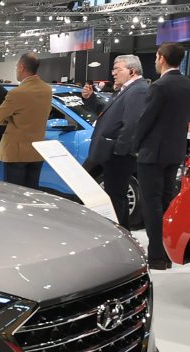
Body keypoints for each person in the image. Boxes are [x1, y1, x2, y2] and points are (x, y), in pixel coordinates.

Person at [134, 43, 190, 270]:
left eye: (157, 57)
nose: (156, 61)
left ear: (162, 58)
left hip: (152, 154)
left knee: (151, 203)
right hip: (174, 152)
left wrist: (135, 144)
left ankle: (156, 255)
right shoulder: (187, 84)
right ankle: (167, 251)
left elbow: (146, 120)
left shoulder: (159, 86)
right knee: (167, 202)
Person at [82, 55, 148, 227]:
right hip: (109, 152)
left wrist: (119, 149)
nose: (113, 73)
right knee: (113, 195)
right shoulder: (125, 89)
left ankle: (122, 234)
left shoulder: (138, 90)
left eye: (117, 69)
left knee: (116, 197)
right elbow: (107, 113)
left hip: (117, 155)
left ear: (132, 71)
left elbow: (132, 123)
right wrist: (90, 99)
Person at [0, 52, 52, 190]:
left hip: (16, 154)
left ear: (21, 67)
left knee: (14, 195)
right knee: (32, 192)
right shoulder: (47, 90)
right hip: (37, 152)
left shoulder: (17, 93)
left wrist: (11, 118)